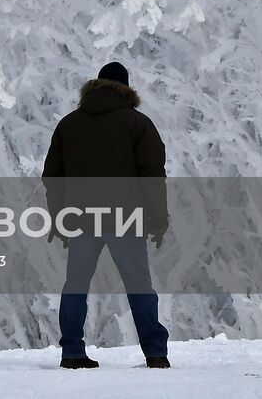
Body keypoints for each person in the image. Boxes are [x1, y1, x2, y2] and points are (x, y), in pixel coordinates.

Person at [42, 61, 170, 370]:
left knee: (76, 285)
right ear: (127, 88)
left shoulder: (68, 124)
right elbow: (152, 175)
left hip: (81, 219)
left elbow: (52, 176)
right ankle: (155, 353)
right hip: (125, 218)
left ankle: (72, 352)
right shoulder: (138, 124)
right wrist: (158, 218)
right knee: (139, 285)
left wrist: (59, 216)